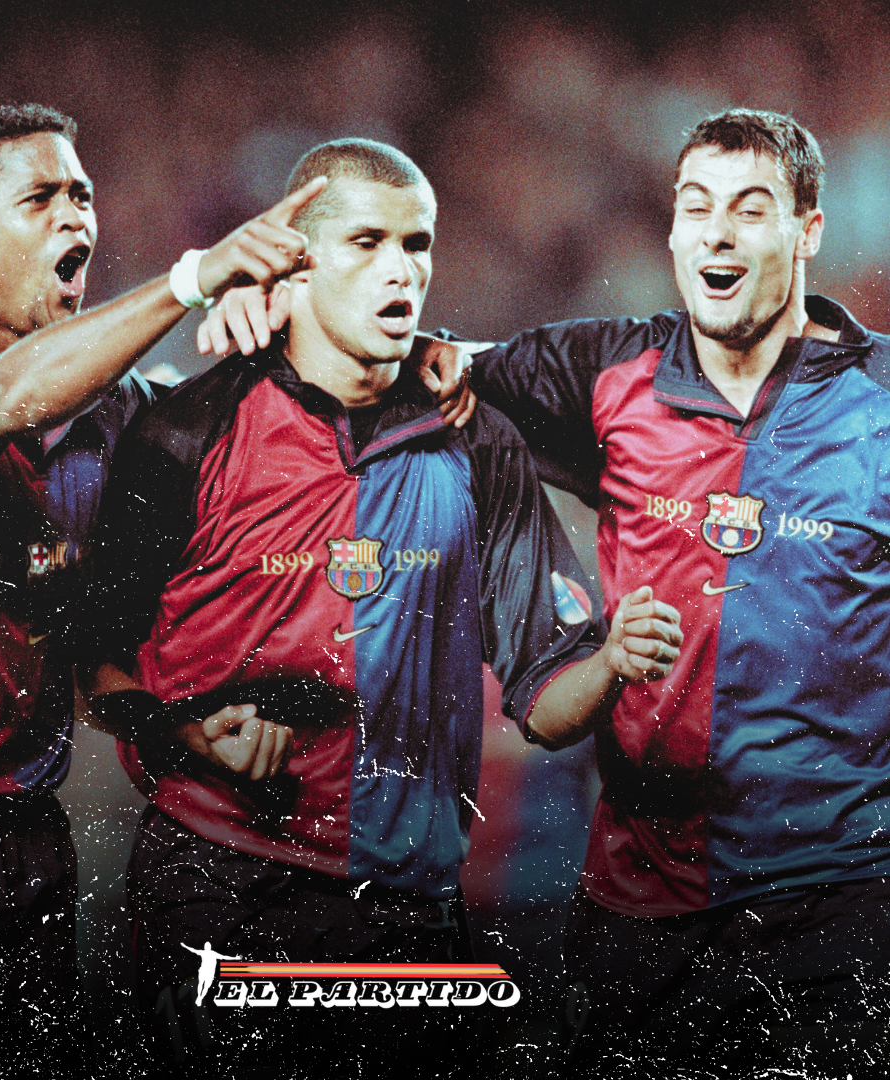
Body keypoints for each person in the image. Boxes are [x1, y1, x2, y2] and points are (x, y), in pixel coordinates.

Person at [200, 108, 890, 1076]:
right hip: (640, 910)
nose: (718, 234)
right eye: (696, 208)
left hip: (838, 905)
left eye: (749, 209)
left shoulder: (879, 404)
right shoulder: (604, 369)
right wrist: (272, 309)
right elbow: (412, 358)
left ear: (809, 230)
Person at [81, 137, 682, 1078]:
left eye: (417, 243)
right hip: (221, 884)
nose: (402, 269)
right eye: (368, 243)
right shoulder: (184, 432)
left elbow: (547, 699)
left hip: (411, 907)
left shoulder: (475, 440)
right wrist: (188, 735)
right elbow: (97, 664)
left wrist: (609, 663)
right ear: (295, 266)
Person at [0, 101, 325, 1078]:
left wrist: (280, 326)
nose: (75, 215)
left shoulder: (118, 425)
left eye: (83, 195)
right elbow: (3, 397)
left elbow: (101, 660)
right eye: (40, 196)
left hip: (25, 853)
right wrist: (193, 282)